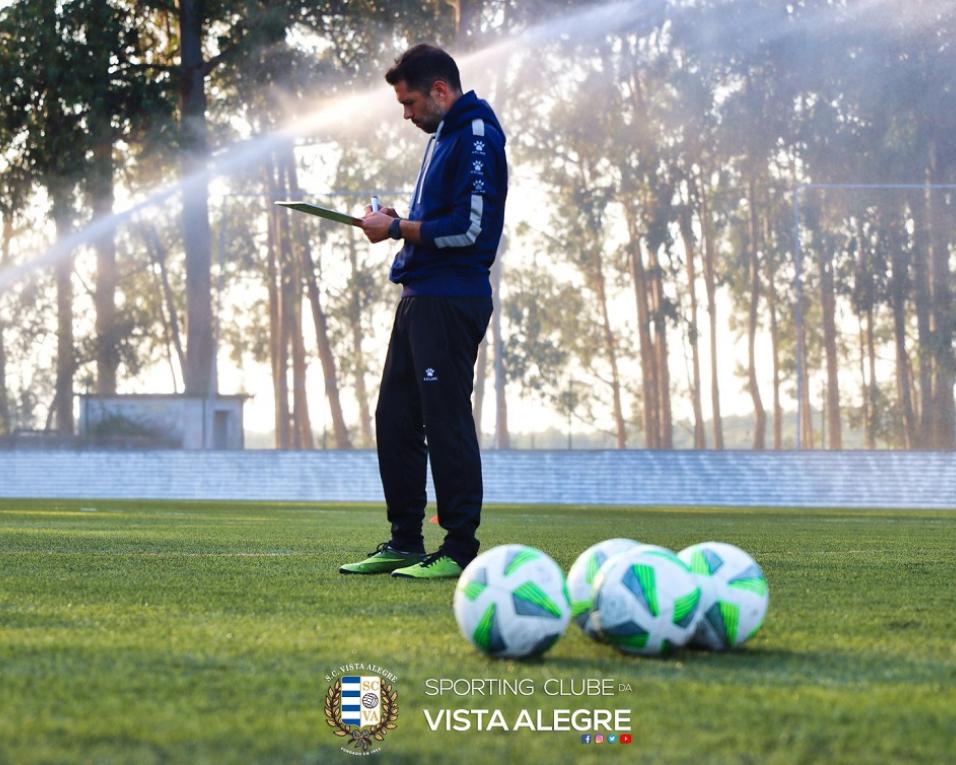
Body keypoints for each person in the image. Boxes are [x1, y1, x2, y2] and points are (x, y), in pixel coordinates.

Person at [339, 43, 507, 580]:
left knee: (446, 419)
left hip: (451, 298)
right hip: (417, 294)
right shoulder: (443, 137)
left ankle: (458, 549)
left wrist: (396, 229)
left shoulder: (477, 134)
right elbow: (437, 222)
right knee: (394, 420)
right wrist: (397, 221)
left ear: (440, 89)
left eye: (410, 103)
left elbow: (472, 229)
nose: (406, 115)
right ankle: (405, 542)